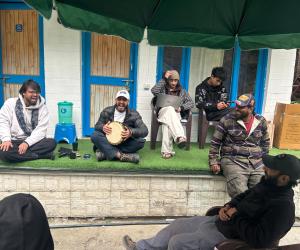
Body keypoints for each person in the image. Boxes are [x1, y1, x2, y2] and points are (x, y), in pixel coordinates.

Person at [123, 153, 300, 250]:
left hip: (230, 236)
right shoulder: (267, 185)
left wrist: (235, 217)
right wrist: (228, 206)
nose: (265, 168)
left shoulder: (283, 207)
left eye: (271, 168)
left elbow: (260, 240)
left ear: (284, 178)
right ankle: (140, 248)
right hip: (220, 222)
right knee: (176, 226)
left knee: (178, 243)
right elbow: (242, 197)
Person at [209, 93, 270, 197]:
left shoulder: (261, 121)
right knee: (240, 193)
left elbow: (265, 143)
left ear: (250, 109)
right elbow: (215, 142)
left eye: (241, 107)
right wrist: (214, 161)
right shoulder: (226, 120)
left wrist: (264, 160)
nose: (236, 108)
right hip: (233, 161)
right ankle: (243, 211)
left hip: (257, 163)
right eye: (236, 105)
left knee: (263, 192)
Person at [0, 80, 56, 163]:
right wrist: (6, 139)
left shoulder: (43, 108)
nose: (35, 95)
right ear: (23, 93)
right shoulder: (10, 103)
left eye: (37, 92)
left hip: (33, 142)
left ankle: (22, 154)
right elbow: (3, 122)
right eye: (31, 92)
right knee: (4, 153)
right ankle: (41, 156)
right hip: (14, 141)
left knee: (51, 143)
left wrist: (27, 143)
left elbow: (41, 130)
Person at [91, 90, 148, 164]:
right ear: (115, 100)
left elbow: (144, 130)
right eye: (119, 99)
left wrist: (131, 132)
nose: (121, 102)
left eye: (124, 100)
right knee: (95, 136)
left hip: (124, 142)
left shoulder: (134, 114)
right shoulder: (107, 111)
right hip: (109, 141)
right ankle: (120, 155)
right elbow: (97, 126)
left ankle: (105, 153)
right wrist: (103, 127)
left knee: (140, 142)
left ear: (128, 102)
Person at [151, 70, 194, 159]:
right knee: (170, 108)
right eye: (171, 80)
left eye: (176, 80)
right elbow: (154, 91)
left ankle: (166, 151)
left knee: (166, 124)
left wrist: (181, 108)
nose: (174, 82)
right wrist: (163, 79)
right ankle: (180, 136)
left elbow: (191, 103)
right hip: (162, 112)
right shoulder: (162, 88)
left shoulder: (182, 91)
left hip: (175, 114)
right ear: (168, 80)